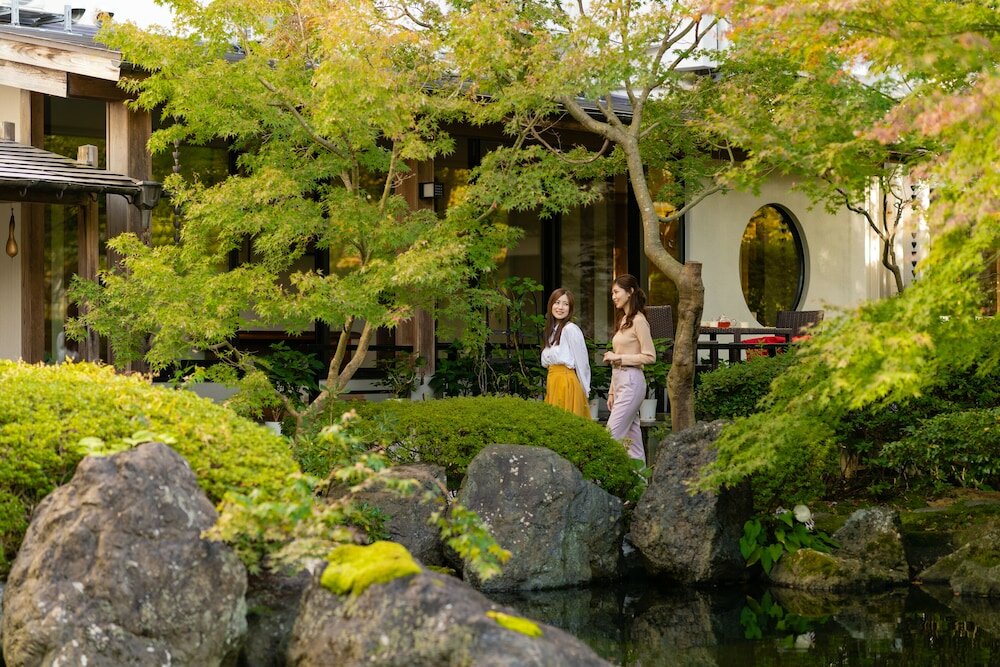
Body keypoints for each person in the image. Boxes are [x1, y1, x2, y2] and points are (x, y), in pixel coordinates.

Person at [603, 274, 655, 461]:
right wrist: (611, 392)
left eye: (616, 292)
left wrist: (619, 357)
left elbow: (650, 356)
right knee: (632, 442)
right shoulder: (624, 320)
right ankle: (640, 483)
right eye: (612, 293)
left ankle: (600, 481)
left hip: (632, 382)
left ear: (630, 292)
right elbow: (617, 361)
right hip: (621, 383)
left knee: (610, 436)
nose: (613, 296)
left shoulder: (639, 321)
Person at [541, 288, 591, 418]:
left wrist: (585, 390)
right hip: (553, 381)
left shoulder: (571, 329)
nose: (560, 307)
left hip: (566, 382)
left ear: (570, 308)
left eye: (566, 304)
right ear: (551, 304)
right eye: (557, 302)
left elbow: (582, 362)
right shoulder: (550, 331)